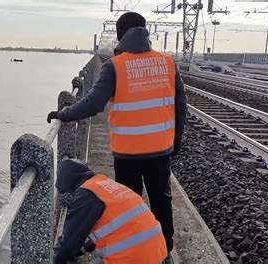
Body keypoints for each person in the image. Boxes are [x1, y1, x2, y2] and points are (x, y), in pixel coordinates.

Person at [47, 12, 186, 259]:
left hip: (128, 153)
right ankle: (164, 251)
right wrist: (175, 142)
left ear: (121, 37)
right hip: (160, 149)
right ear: (145, 33)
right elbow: (180, 106)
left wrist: (64, 113)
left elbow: (92, 104)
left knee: (129, 208)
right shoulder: (167, 62)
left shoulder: (116, 66)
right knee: (161, 199)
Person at [54, 159, 168, 264]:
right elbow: (110, 231)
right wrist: (79, 250)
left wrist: (50, 258)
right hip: (157, 253)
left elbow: (67, 246)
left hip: (135, 258)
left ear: (67, 184)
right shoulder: (103, 184)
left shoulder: (85, 195)